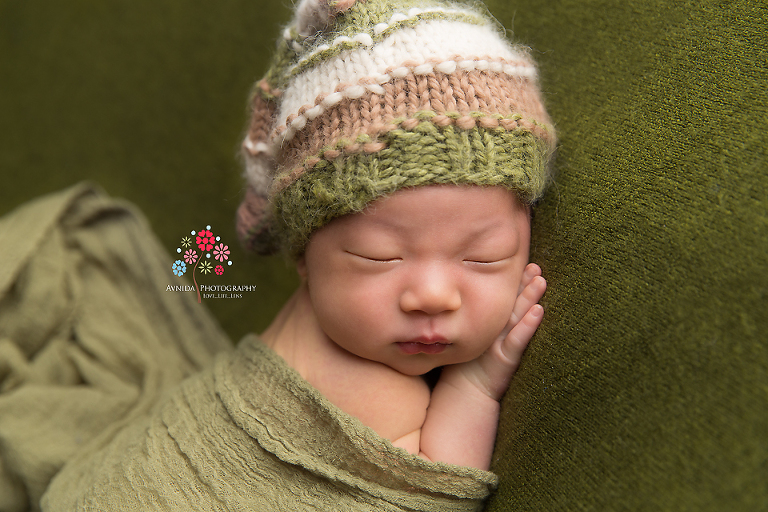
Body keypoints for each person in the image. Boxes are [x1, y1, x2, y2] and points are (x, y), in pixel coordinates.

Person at [37, 0, 556, 509]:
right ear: (305, 258)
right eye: (378, 257)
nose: (433, 296)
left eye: (485, 257)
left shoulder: (332, 315)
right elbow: (441, 484)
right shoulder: (375, 396)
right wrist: (476, 384)